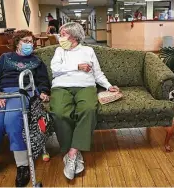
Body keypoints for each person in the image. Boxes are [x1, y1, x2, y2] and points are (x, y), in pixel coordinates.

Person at [0, 30, 51, 187]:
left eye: (31, 41)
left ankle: (22, 166)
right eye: (26, 41)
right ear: (17, 43)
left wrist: (44, 92)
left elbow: (42, 80)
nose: (30, 44)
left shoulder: (37, 61)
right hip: (0, 93)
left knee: (13, 121)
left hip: (22, 92)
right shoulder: (5, 58)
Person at [50, 22, 119, 180]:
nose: (60, 38)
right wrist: (77, 66)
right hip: (61, 87)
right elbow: (55, 70)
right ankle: (71, 152)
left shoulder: (88, 51)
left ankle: (72, 153)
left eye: (63, 34)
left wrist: (108, 86)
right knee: (59, 112)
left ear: (74, 37)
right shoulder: (59, 50)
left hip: (85, 87)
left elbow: (97, 73)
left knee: (88, 109)